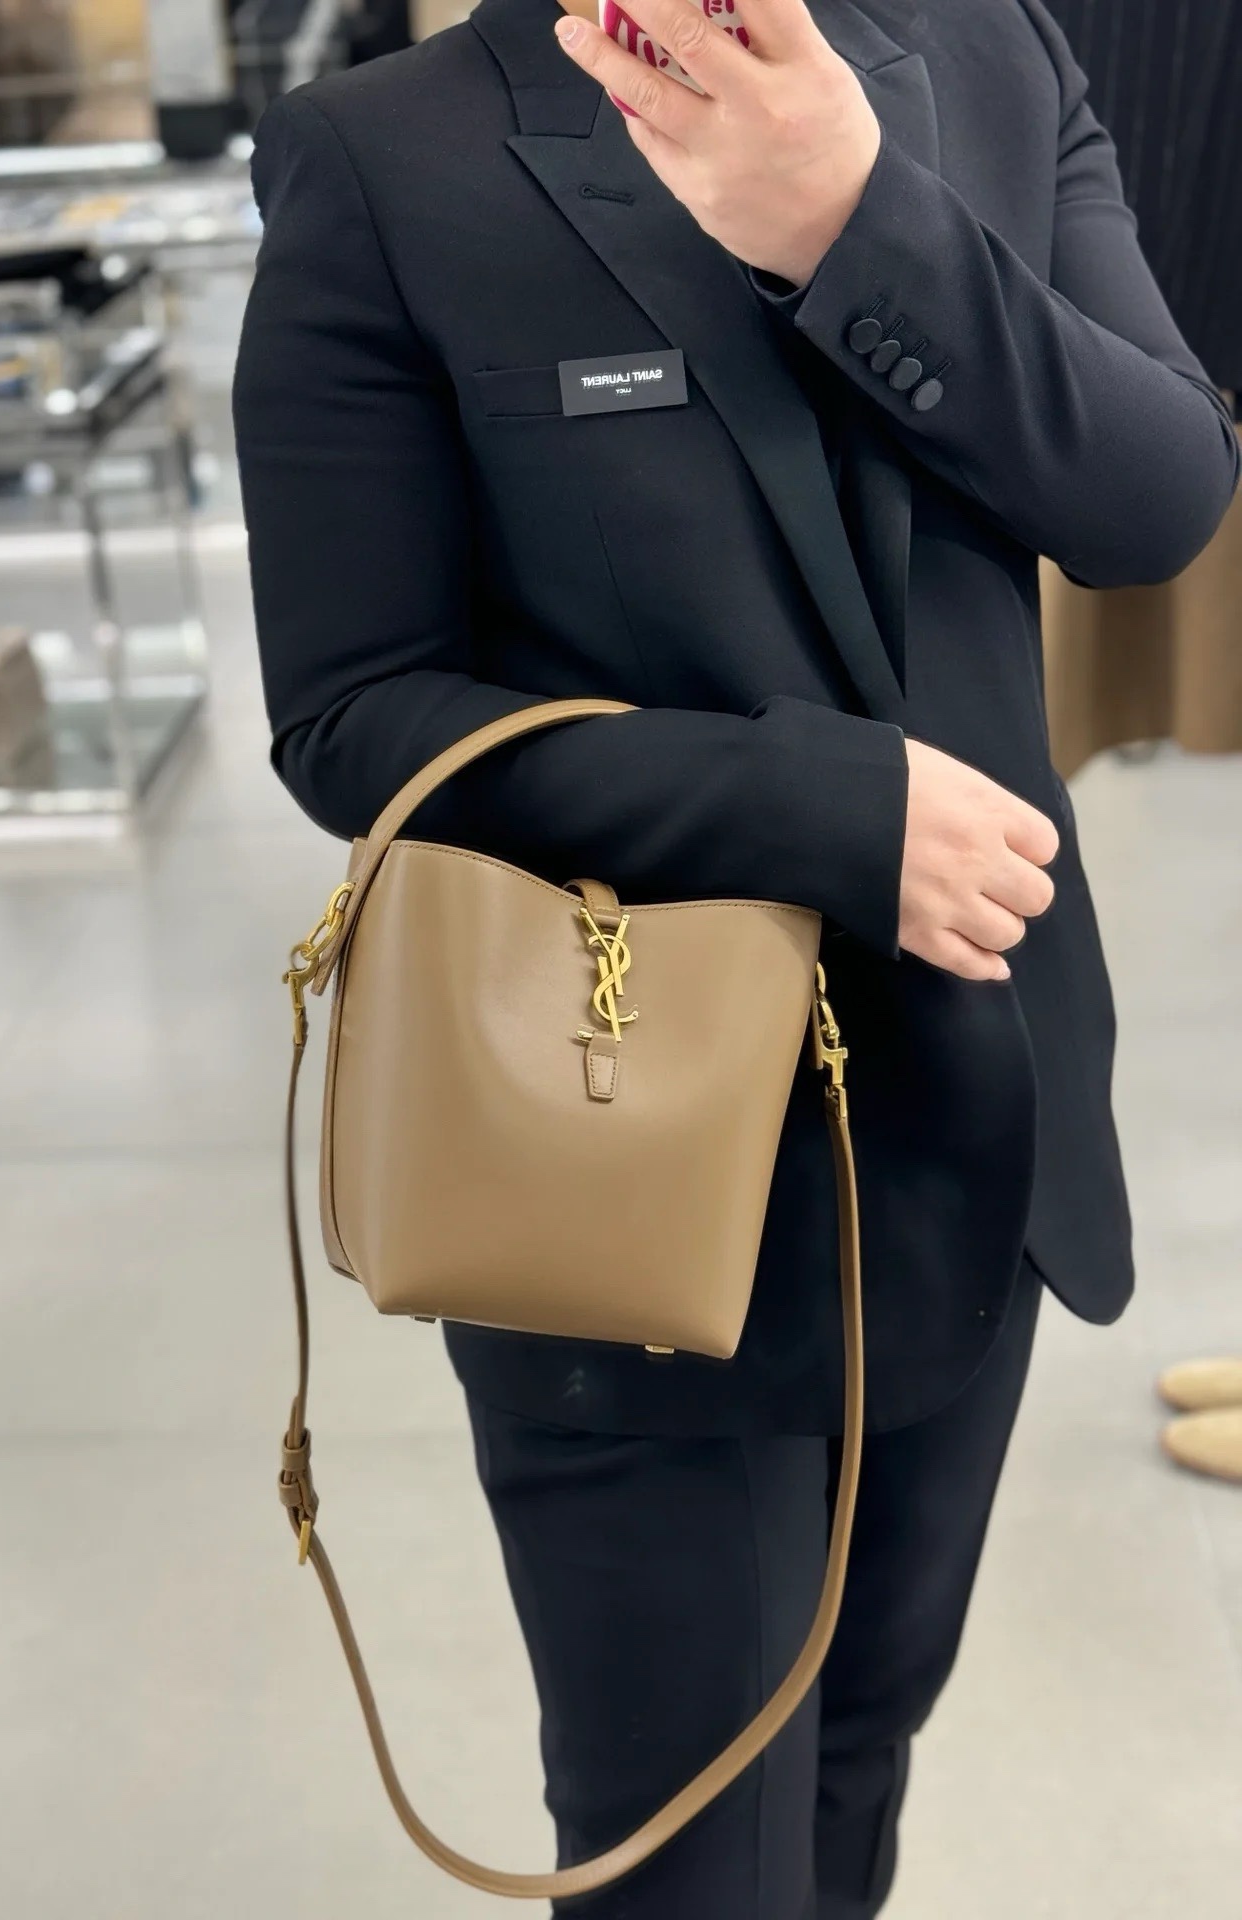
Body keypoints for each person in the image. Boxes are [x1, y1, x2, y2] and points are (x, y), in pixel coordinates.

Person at [232, 1, 1239, 1912]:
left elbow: (1155, 496)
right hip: (627, 1160)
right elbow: (355, 713)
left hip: (979, 1122)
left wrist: (857, 220)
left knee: (860, 1757)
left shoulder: (993, 56)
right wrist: (816, 810)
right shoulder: (387, 155)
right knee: (686, 1844)